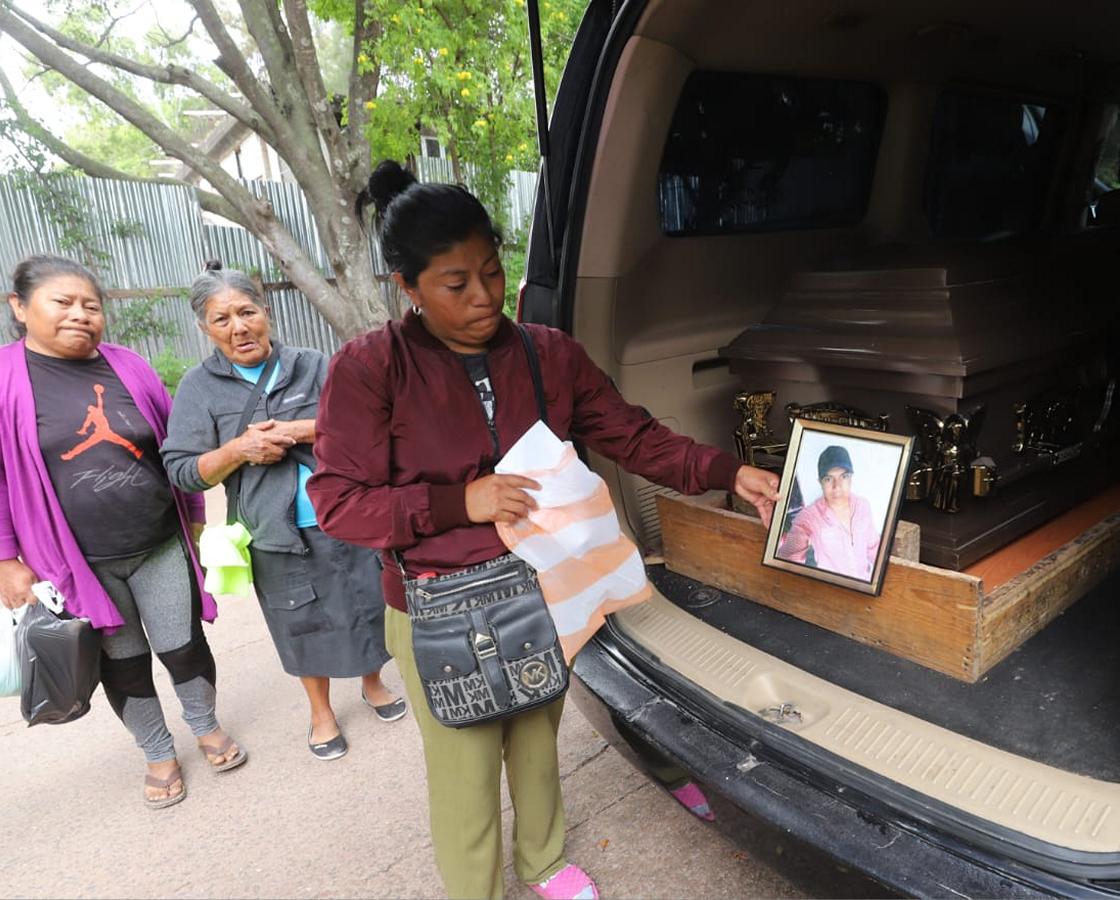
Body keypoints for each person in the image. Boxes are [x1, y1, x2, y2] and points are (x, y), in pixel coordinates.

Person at [306, 161, 781, 900]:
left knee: (535, 735)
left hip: (543, 581)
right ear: (407, 287)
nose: (483, 297)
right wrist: (458, 503)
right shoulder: (371, 369)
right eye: (454, 284)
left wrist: (727, 471)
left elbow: (631, 435)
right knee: (464, 762)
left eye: (491, 273)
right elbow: (338, 502)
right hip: (439, 602)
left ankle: (546, 863)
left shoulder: (546, 353)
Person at [0, 254, 245, 808]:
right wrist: (6, 559)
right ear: (20, 307)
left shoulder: (128, 366)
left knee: (183, 645)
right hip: (76, 563)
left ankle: (204, 726)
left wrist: (199, 521)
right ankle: (158, 752)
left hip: (159, 541)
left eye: (91, 305)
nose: (80, 315)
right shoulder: (4, 380)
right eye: (62, 303)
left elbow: (176, 448)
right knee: (122, 660)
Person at [160, 262, 406, 761]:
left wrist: (298, 431)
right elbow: (182, 468)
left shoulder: (313, 365)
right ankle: (321, 711)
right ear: (204, 328)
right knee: (299, 621)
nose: (239, 327)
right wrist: (239, 450)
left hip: (343, 514)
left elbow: (365, 423)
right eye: (222, 319)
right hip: (273, 532)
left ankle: (372, 681)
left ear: (265, 312)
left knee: (366, 602)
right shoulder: (199, 388)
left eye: (247, 311)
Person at [778, 444, 880, 580]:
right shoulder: (809, 517)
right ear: (820, 482)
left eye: (843, 476)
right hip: (831, 590)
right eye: (828, 479)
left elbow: (874, 549)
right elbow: (788, 559)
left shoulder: (863, 506)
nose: (836, 486)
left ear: (851, 478)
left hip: (864, 585)